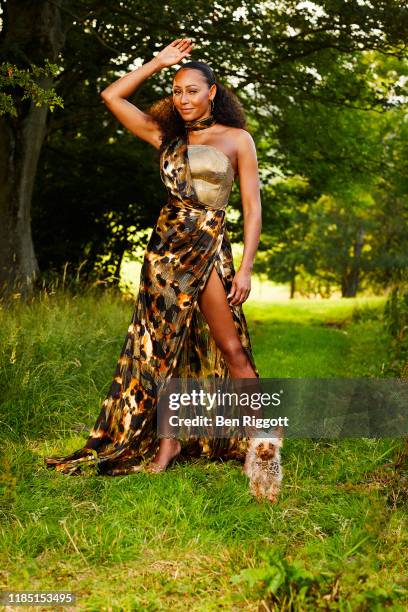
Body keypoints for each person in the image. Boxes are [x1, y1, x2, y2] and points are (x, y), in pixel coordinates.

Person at [44, 37, 262, 476]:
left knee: (231, 347)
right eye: (177, 90)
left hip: (208, 248)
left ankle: (263, 444)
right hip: (165, 254)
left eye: (192, 90)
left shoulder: (238, 139)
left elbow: (253, 207)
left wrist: (245, 267)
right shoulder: (164, 134)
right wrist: (158, 62)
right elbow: (112, 95)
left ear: (212, 93)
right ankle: (168, 445)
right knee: (160, 349)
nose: (183, 98)